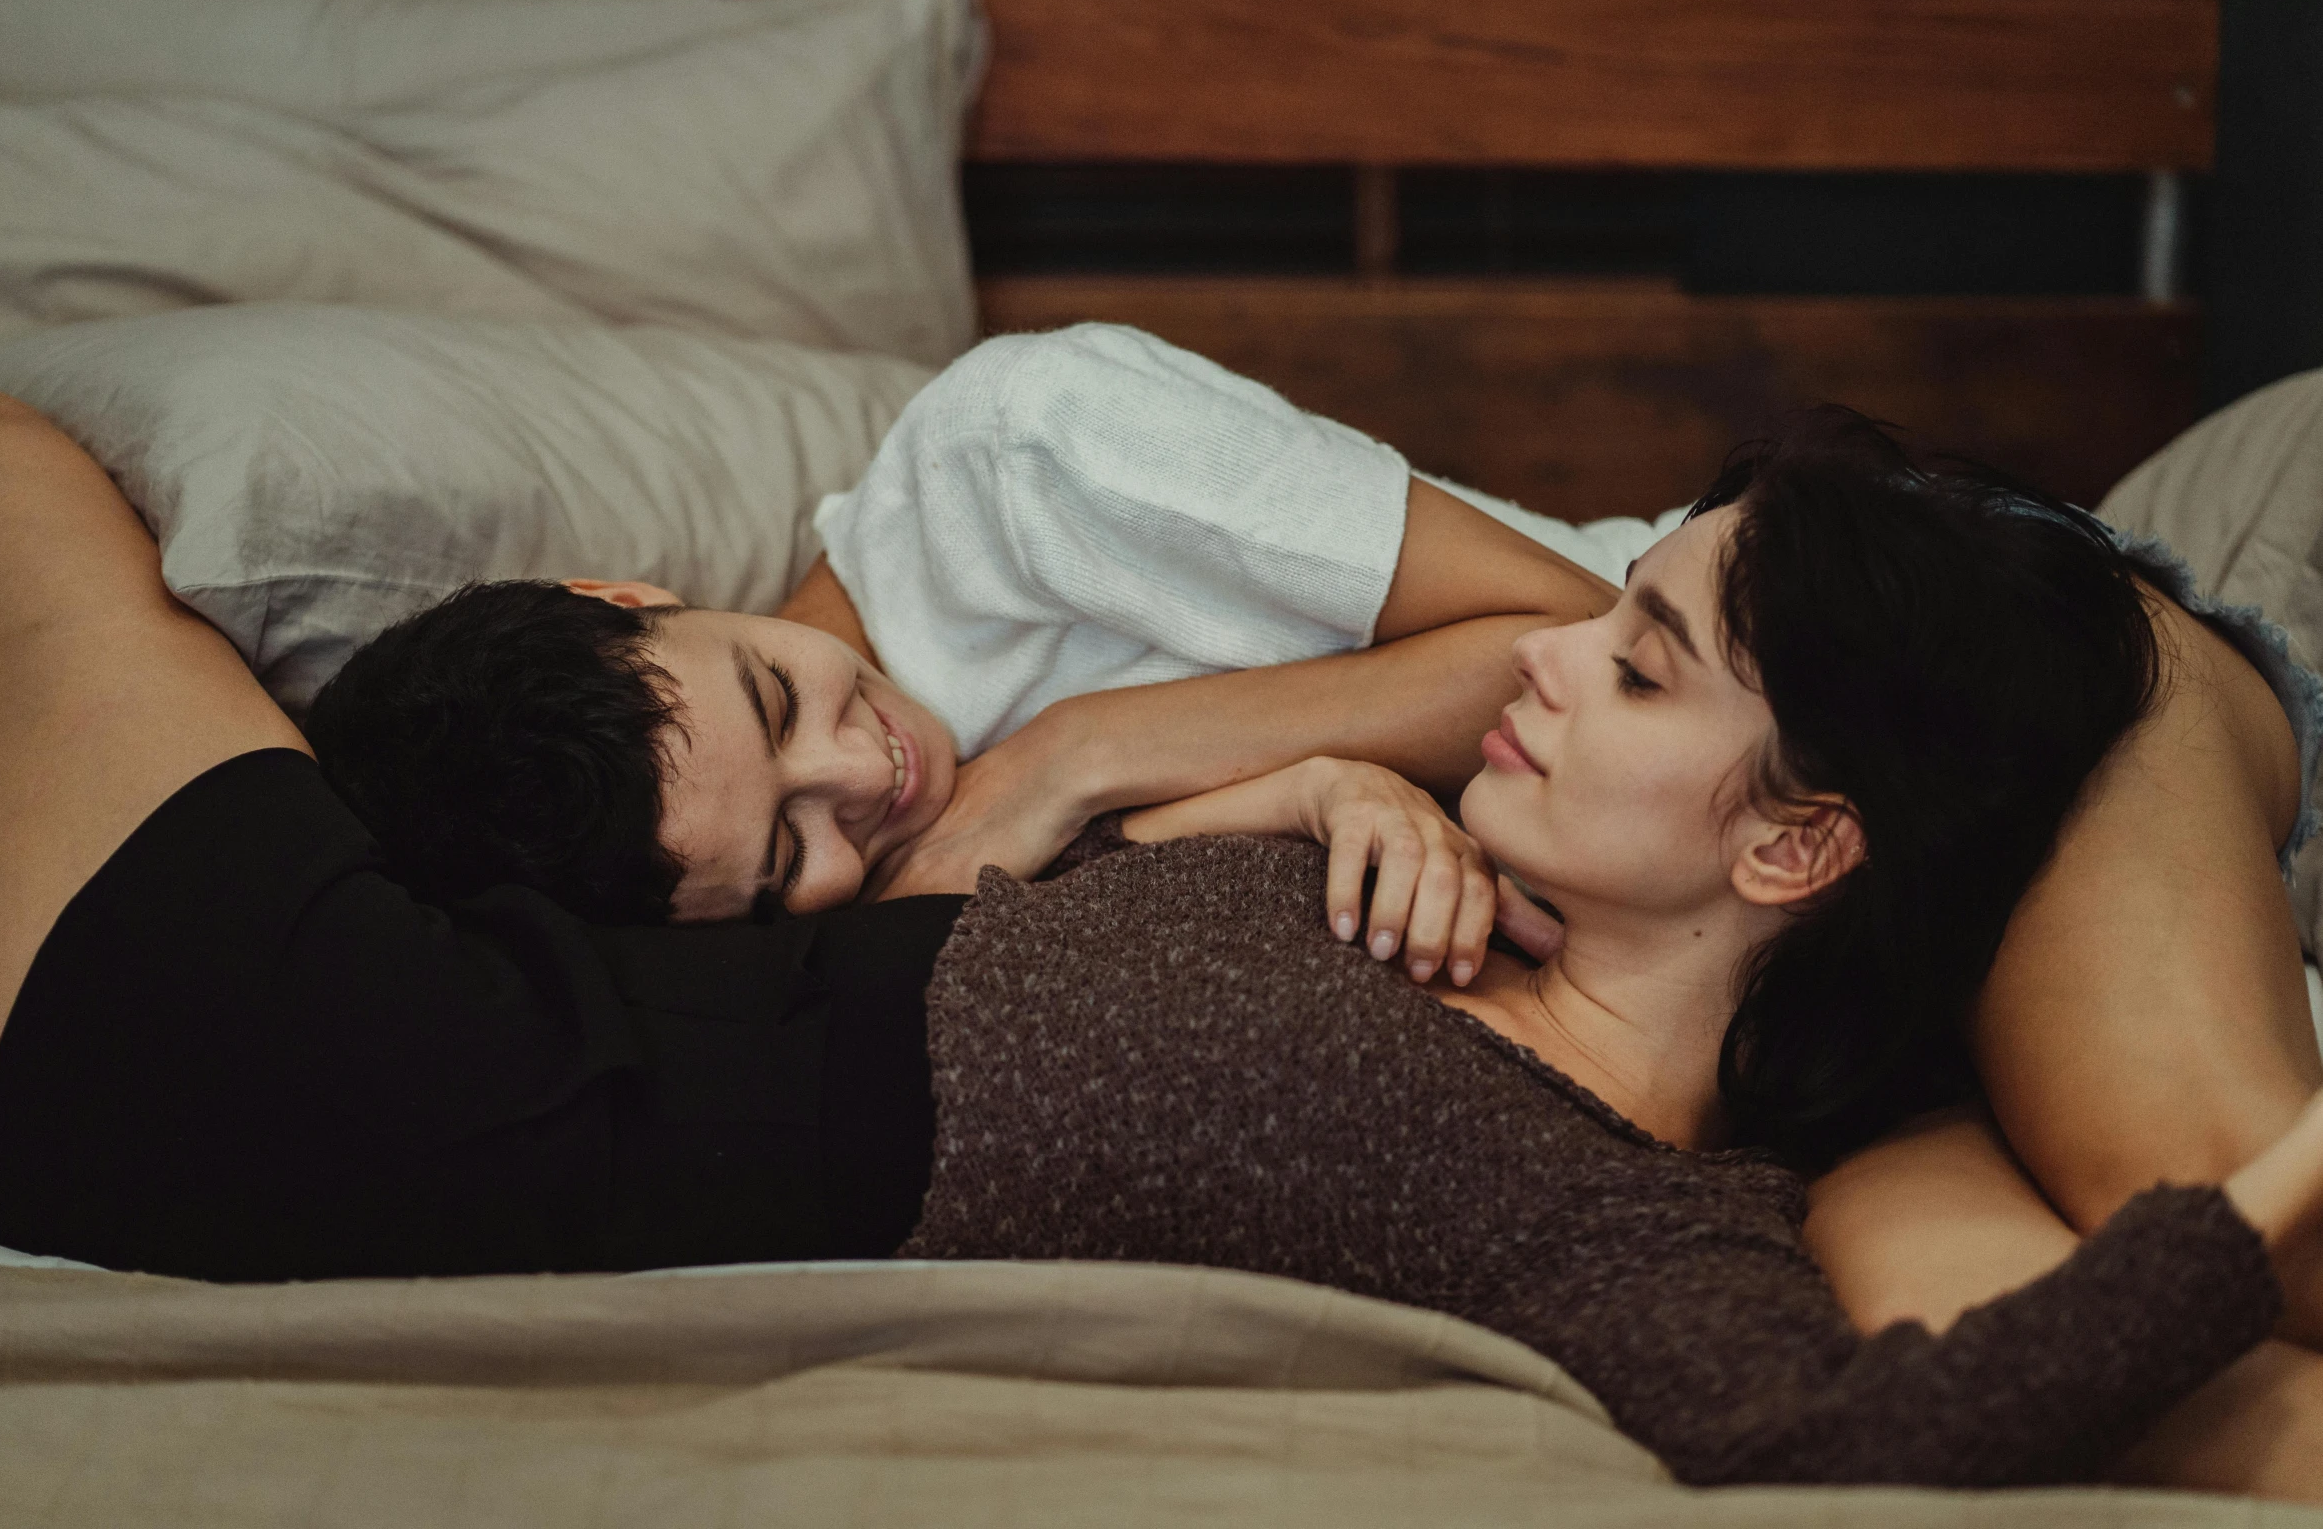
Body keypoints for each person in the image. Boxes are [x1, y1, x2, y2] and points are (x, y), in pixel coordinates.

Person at [884, 410, 2323, 1489]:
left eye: (1630, 665)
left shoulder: (1622, 1214)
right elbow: (1054, 902)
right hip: (1871, 789)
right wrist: (1314, 782)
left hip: (2073, 662)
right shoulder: (1420, 869)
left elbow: (1872, 1425)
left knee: (2213, 1176)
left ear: (1791, 846)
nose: (1541, 650)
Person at [305, 325, 1628, 963]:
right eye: (783, 852)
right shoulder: (838, 932)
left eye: (773, 702)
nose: (860, 777)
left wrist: (1080, 751)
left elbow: (1591, 648)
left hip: (1748, 656)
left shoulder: (1017, 455)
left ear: (628, 592)